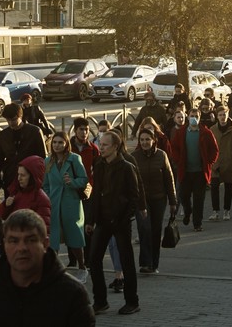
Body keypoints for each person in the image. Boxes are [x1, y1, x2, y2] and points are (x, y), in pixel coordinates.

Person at [0, 209, 95, 326]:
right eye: (14, 241)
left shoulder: (72, 294)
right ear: (4, 244)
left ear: (45, 244)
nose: (22, 248)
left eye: (30, 240)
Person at [87, 131, 143, 316]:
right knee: (94, 260)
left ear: (115, 147)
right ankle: (100, 301)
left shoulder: (126, 167)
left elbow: (134, 196)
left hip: (120, 221)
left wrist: (125, 217)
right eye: (100, 144)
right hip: (102, 220)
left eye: (105, 145)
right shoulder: (100, 165)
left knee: (126, 262)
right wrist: (91, 220)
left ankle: (132, 301)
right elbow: (96, 194)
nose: (101, 148)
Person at [42, 131, 89, 272]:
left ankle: (82, 266)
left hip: (71, 201)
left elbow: (84, 179)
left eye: (60, 142)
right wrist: (49, 196)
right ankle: (53, 269)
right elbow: (45, 184)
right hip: (54, 203)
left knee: (74, 235)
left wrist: (72, 182)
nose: (57, 145)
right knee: (54, 236)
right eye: (54, 142)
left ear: (66, 144)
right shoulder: (47, 161)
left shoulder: (74, 159)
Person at [133, 127, 177, 274]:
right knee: (144, 229)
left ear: (154, 141)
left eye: (147, 139)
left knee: (155, 231)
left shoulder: (161, 155)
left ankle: (154, 264)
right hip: (141, 201)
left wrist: (173, 201)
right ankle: (145, 263)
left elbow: (169, 180)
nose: (145, 142)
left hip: (159, 199)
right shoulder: (135, 157)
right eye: (142, 140)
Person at [170, 107, 219, 232]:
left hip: (200, 172)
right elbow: (173, 148)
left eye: (196, 116)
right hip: (185, 172)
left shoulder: (206, 132)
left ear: (199, 117)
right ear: (188, 117)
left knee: (199, 199)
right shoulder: (181, 132)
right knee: (183, 196)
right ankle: (187, 211)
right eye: (192, 116)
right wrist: (177, 161)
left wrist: (209, 162)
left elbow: (215, 150)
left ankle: (197, 223)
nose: (194, 119)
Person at [0, 102, 48, 191]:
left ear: (20, 116)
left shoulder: (34, 132)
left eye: (14, 119)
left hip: (31, 178)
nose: (11, 123)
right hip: (10, 178)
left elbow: (43, 158)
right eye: (8, 120)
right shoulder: (4, 135)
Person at [0, 155, 52, 234]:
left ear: (33, 177)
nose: (19, 178)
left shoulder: (41, 199)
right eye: (18, 174)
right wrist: (6, 206)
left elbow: (43, 231)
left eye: (23, 175)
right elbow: (4, 216)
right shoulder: (16, 193)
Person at [209, 105, 232, 221]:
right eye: (220, 115)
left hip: (228, 163)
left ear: (228, 115)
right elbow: (209, 147)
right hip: (216, 164)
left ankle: (227, 210)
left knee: (228, 188)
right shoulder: (212, 129)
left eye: (224, 114)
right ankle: (215, 211)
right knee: (214, 188)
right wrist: (211, 161)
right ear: (217, 116)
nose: (223, 117)